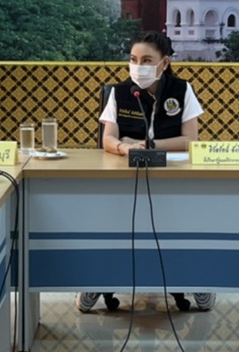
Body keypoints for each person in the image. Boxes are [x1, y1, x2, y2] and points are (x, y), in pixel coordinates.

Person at [86, 30, 208, 313]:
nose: (138, 66)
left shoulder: (182, 90)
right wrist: (125, 148)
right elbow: (108, 138)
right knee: (111, 223)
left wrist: (149, 145)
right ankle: (95, 279)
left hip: (173, 179)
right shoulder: (120, 92)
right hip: (125, 176)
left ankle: (197, 279)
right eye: (133, 59)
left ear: (164, 63)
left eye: (146, 60)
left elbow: (191, 140)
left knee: (182, 225)